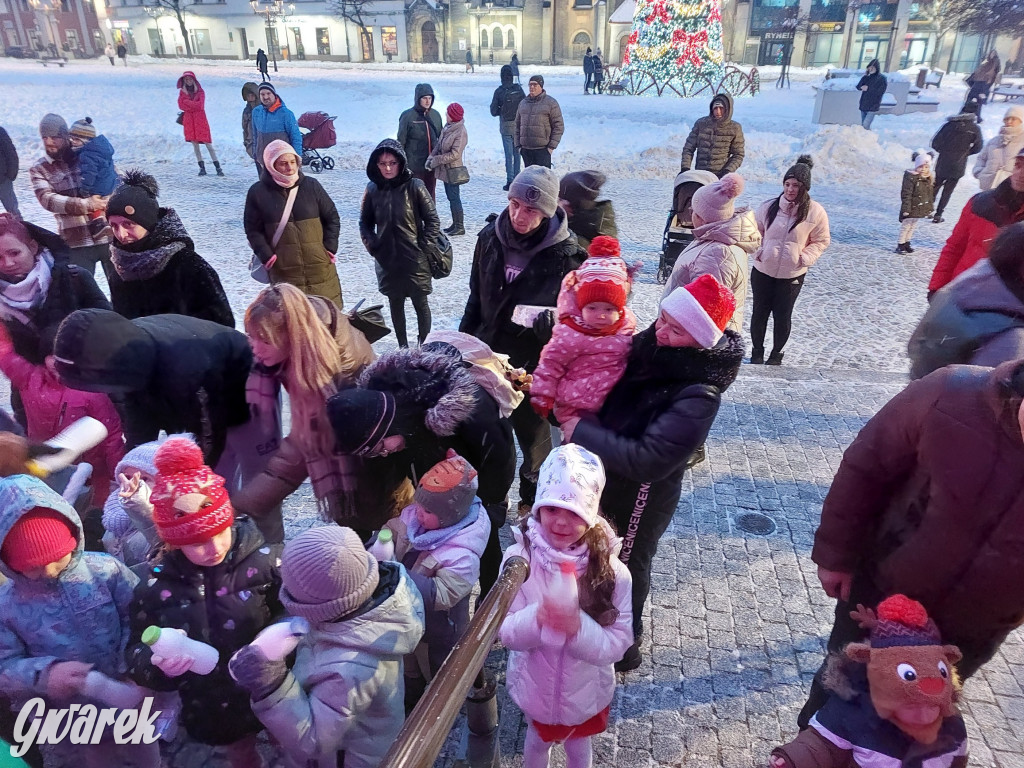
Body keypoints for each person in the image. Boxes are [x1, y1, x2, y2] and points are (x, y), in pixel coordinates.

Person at [796, 357, 1024, 729]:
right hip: (879, 595)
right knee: (837, 696)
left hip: (972, 631)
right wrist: (835, 554)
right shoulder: (950, 392)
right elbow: (866, 466)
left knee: (915, 719)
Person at [572, 276, 744, 671]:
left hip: (643, 492)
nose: (661, 332)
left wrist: (579, 430)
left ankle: (624, 646)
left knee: (625, 565)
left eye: (676, 330)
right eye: (662, 319)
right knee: (594, 554)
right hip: (607, 474)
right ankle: (591, 623)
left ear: (700, 340)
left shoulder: (700, 392)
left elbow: (649, 459)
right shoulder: (654, 344)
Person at [125, 437, 282, 768]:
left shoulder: (266, 562)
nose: (214, 548)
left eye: (220, 531)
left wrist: (280, 643)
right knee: (241, 754)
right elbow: (137, 647)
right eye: (197, 542)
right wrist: (156, 665)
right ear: (175, 542)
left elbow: (292, 614)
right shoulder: (156, 589)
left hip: (273, 685)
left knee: (290, 740)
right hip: (214, 700)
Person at [327, 343, 516, 595]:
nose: (384, 453)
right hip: (432, 480)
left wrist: (492, 502)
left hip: (474, 484)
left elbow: (500, 455)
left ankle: (492, 595)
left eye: (381, 446)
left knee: (483, 542)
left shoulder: (470, 409)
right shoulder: (386, 416)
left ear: (388, 427)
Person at [229, 525, 424, 768]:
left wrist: (270, 683)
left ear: (319, 609)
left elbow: (312, 740)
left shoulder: (349, 671)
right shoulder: (367, 607)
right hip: (360, 731)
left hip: (349, 757)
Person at [0, 474, 161, 768]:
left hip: (126, 686)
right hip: (73, 710)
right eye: (33, 567)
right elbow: (5, 664)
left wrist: (135, 664)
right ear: (9, 564)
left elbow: (139, 615)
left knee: (142, 741)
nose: (49, 570)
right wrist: (46, 675)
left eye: (57, 557)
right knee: (98, 753)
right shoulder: (6, 606)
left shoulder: (105, 571)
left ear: (73, 538)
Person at [459, 166, 586, 512]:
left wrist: (553, 331)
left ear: (546, 211)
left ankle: (531, 502)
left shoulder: (569, 258)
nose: (519, 215)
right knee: (483, 434)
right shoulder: (488, 238)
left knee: (533, 442)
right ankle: (490, 498)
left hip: (532, 368)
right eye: (514, 204)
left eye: (530, 209)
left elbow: (578, 326)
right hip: (486, 359)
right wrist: (462, 345)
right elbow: (475, 298)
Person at [499, 444, 633, 768]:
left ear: (590, 514)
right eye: (551, 509)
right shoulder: (520, 562)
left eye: (573, 512)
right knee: (536, 742)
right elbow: (504, 630)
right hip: (536, 687)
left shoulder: (612, 573)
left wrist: (577, 627)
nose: (560, 522)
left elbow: (618, 642)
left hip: (585, 690)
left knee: (578, 745)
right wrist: (538, 618)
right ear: (537, 509)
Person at [231, 284, 380, 543]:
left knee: (370, 517)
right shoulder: (302, 325)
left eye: (264, 341)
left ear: (293, 338)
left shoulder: (327, 378)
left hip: (371, 454)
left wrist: (237, 506)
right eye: (250, 336)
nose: (254, 348)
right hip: (354, 445)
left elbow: (298, 454)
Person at [52, 309, 257, 487]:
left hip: (239, 386)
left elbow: (208, 432)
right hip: (180, 382)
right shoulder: (123, 353)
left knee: (227, 467)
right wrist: (134, 460)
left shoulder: (185, 369)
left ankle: (240, 509)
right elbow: (137, 412)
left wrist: (195, 480)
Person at [385, 451, 490, 710]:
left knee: (437, 667)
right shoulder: (416, 518)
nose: (418, 514)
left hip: (439, 626)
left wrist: (397, 573)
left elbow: (443, 595)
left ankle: (437, 705)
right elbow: (395, 528)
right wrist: (380, 541)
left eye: (427, 511)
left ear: (449, 515)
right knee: (407, 656)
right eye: (418, 506)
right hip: (405, 615)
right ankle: (411, 688)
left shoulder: (462, 553)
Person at [0, 213, 109, 428]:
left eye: (14, 253)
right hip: (31, 396)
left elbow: (108, 326)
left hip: (87, 386)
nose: (7, 263)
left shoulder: (74, 278)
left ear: (32, 247)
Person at [0, 323, 123, 508]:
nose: (60, 363)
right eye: (54, 357)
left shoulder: (92, 392)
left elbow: (112, 437)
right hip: (40, 464)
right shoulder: (31, 379)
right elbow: (6, 356)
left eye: (68, 357)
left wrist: (119, 476)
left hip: (91, 473)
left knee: (90, 508)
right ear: (44, 356)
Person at [531, 237, 637, 426]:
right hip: (576, 406)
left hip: (612, 407)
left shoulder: (626, 327)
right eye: (592, 308)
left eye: (609, 309)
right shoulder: (571, 333)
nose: (601, 315)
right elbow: (550, 364)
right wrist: (542, 394)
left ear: (620, 309)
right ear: (581, 307)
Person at [106, 169, 234, 325]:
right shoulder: (120, 270)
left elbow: (222, 322)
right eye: (114, 225)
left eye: (128, 224)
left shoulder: (187, 265)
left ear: (148, 223)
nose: (121, 234)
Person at [909, 222, 1024, 378]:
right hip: (942, 390)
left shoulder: (972, 281)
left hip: (925, 383)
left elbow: (915, 345)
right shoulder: (1013, 338)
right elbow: (994, 393)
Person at [748, 155, 831, 366]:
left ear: (805, 187)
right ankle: (757, 352)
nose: (790, 189)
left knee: (783, 316)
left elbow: (821, 240)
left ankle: (776, 355)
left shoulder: (815, 212)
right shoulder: (768, 207)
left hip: (792, 275)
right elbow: (753, 232)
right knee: (759, 313)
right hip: (763, 270)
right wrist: (759, 251)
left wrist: (804, 258)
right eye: (787, 184)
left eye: (795, 185)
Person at [359, 139, 441, 348]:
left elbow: (432, 220)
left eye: (392, 163)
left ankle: (424, 347)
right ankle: (402, 348)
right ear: (376, 164)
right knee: (395, 305)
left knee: (420, 304)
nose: (387, 168)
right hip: (387, 260)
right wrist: (373, 246)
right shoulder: (373, 189)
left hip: (415, 259)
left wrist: (424, 247)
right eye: (383, 163)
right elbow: (365, 223)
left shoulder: (415, 186)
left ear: (400, 163)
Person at [245, 140, 343, 307]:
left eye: (293, 162)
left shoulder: (311, 186)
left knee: (326, 315)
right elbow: (253, 230)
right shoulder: (258, 192)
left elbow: (332, 217)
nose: (290, 168)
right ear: (271, 165)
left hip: (319, 267)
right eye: (283, 163)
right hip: (284, 269)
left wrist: (330, 246)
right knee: (293, 316)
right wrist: (266, 255)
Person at [662, 172, 759, 334]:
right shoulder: (712, 239)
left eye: (693, 211)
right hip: (680, 330)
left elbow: (704, 315)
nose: (690, 214)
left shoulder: (718, 254)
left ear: (703, 217)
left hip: (689, 337)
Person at [29, 113, 113, 279]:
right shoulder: (39, 168)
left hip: (108, 237)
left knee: (123, 288)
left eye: (54, 137)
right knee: (80, 289)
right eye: (44, 137)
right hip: (76, 243)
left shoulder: (90, 154)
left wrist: (107, 200)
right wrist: (87, 204)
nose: (49, 142)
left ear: (65, 136)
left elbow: (116, 179)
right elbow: (47, 200)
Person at [928, 151, 1024, 294]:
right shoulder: (980, 203)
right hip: (963, 292)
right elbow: (954, 247)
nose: (1020, 173)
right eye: (1018, 165)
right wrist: (936, 287)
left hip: (1006, 303)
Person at [100, 435, 170, 569]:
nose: (133, 483)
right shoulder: (115, 511)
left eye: (145, 478)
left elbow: (159, 542)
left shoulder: (172, 521)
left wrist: (140, 505)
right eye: (127, 477)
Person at [929, 101, 984, 223]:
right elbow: (978, 147)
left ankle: (928, 209)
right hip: (959, 163)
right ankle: (938, 214)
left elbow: (935, 143)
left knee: (936, 185)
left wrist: (944, 151)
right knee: (948, 191)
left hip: (943, 161)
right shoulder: (975, 129)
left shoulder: (949, 125)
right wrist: (966, 153)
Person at [68, 117, 117, 238]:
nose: (72, 142)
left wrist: (85, 188)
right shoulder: (101, 149)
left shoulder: (87, 154)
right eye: (71, 138)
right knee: (103, 203)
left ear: (86, 141)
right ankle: (107, 222)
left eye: (76, 139)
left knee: (93, 202)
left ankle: (99, 225)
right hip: (109, 182)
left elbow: (89, 173)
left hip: (99, 184)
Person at [427, 102, 469, 236]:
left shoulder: (460, 131)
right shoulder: (448, 127)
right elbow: (439, 145)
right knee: (451, 197)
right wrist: (431, 157)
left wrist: (437, 160)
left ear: (453, 116)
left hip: (453, 170)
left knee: (454, 198)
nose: (446, 114)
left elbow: (455, 154)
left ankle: (459, 226)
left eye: (448, 113)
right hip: (446, 170)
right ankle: (455, 224)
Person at [679, 93, 745, 177]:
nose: (718, 112)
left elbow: (738, 155)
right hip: (700, 174)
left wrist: (727, 171)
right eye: (715, 108)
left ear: (728, 110)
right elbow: (688, 148)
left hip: (720, 175)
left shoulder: (735, 128)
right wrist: (685, 168)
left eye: (721, 108)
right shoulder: (701, 124)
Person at [397, 83, 443, 201]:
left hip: (431, 165)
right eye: (424, 98)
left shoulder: (435, 115)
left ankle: (430, 213)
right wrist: (401, 163)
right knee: (415, 196)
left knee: (429, 196)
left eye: (430, 98)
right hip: (414, 165)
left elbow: (441, 138)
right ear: (418, 99)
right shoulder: (408, 116)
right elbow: (401, 141)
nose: (427, 101)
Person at [251, 83, 303, 177]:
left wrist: (297, 159)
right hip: (263, 160)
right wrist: (255, 153)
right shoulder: (256, 112)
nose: (265, 97)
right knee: (265, 185)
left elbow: (295, 137)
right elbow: (255, 135)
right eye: (262, 94)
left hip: (282, 162)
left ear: (274, 94)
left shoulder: (286, 114)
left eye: (268, 93)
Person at [558, 170, 618, 251]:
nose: (557, 203)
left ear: (572, 204)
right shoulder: (589, 221)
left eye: (561, 199)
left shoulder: (578, 240)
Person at [178, 71, 222, 177]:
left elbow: (200, 106)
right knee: (195, 145)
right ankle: (202, 168)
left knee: (208, 144)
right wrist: (192, 104)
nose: (188, 81)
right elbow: (181, 106)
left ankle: (218, 167)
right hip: (189, 121)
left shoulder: (200, 91)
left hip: (200, 120)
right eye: (186, 79)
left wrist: (187, 102)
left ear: (193, 80)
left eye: (190, 79)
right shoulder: (182, 92)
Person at [515, 75, 564, 169]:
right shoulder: (523, 103)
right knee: (529, 177)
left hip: (543, 150)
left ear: (541, 86)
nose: (531, 87)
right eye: (530, 85)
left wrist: (551, 147)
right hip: (526, 150)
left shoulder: (551, 103)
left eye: (535, 85)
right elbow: (517, 125)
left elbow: (559, 126)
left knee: (542, 177)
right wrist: (518, 146)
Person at [490, 65, 526, 191]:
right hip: (518, 126)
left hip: (505, 126)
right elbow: (525, 105)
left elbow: (493, 111)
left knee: (508, 154)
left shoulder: (499, 91)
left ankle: (509, 180)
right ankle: (517, 178)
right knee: (517, 154)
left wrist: (501, 109)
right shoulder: (518, 89)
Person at [973, 106, 1024, 191]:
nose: (1009, 122)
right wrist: (980, 172)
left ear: (1021, 121)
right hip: (988, 186)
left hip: (1012, 188)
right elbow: (981, 158)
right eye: (1007, 119)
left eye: (1013, 119)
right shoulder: (994, 141)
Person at [896, 149, 935, 254]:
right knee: (906, 226)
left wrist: (929, 208)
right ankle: (900, 244)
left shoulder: (927, 179)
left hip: (919, 208)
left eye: (926, 167)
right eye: (921, 167)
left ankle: (907, 242)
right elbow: (906, 194)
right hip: (910, 208)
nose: (923, 169)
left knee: (912, 226)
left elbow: (928, 196)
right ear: (916, 166)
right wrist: (906, 209)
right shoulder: (911, 178)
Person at [966, 49, 1000, 123]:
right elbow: (979, 70)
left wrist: (985, 77)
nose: (990, 54)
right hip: (979, 83)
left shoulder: (994, 62)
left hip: (983, 84)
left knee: (977, 100)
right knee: (973, 99)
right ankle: (974, 116)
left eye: (993, 53)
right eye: (990, 53)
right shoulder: (987, 61)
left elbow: (992, 72)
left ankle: (976, 117)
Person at [856, 59, 887, 130]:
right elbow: (858, 86)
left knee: (865, 125)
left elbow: (881, 91)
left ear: (877, 68)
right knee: (863, 125)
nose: (870, 69)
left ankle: (867, 136)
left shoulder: (882, 79)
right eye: (869, 67)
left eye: (872, 67)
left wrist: (868, 88)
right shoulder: (866, 77)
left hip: (873, 105)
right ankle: (865, 136)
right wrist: (861, 87)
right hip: (863, 104)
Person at [241, 81, 260, 172]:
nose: (250, 97)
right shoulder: (247, 110)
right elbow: (244, 127)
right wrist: (246, 141)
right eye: (248, 95)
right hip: (252, 142)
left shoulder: (262, 109)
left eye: (252, 95)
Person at [0, 125, 18, 219]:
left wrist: (10, 175)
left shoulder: (0, 132)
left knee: (13, 212)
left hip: (3, 180)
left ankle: (20, 228)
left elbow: (11, 153)